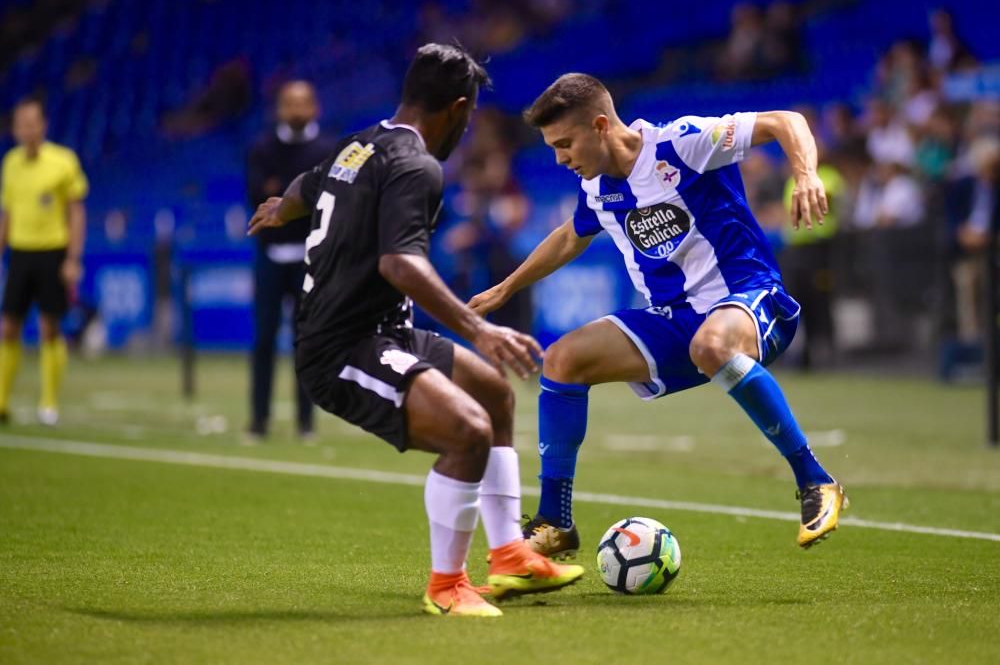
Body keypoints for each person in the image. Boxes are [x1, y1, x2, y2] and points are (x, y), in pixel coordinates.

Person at [247, 44, 583, 617]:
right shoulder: (418, 166)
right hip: (341, 349)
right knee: (468, 432)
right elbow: (399, 265)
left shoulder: (361, 143)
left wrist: (281, 207)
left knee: (494, 394)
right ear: (456, 107)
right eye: (470, 113)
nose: (468, 125)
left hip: (385, 331)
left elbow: (310, 183)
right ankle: (446, 586)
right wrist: (481, 328)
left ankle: (509, 555)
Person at [470, 73, 848, 555]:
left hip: (752, 299)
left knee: (711, 345)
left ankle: (816, 480)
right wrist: (505, 288)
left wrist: (807, 173)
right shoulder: (597, 189)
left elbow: (784, 120)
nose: (560, 158)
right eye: (552, 148)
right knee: (562, 359)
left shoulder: (683, 143)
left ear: (601, 126)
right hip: (675, 318)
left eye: (565, 144)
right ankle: (554, 523)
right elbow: (570, 236)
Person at [246, 80, 336, 442]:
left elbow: (327, 200)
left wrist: (286, 196)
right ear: (278, 109)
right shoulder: (261, 148)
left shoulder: (329, 149)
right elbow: (259, 196)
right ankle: (258, 419)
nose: (296, 111)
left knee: (309, 340)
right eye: (289, 103)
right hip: (269, 256)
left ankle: (305, 422)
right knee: (264, 338)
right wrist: (295, 199)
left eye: (303, 103)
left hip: (311, 259)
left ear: (314, 107)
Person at [0, 97, 88, 426]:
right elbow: (6, 214)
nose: (27, 129)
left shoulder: (63, 161)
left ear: (43, 125)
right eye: (21, 123)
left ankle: (49, 403)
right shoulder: (10, 163)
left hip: (52, 252)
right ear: (14, 128)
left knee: (49, 328)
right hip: (20, 253)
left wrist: (72, 258)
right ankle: (2, 401)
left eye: (32, 122)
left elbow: (76, 212)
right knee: (8, 327)